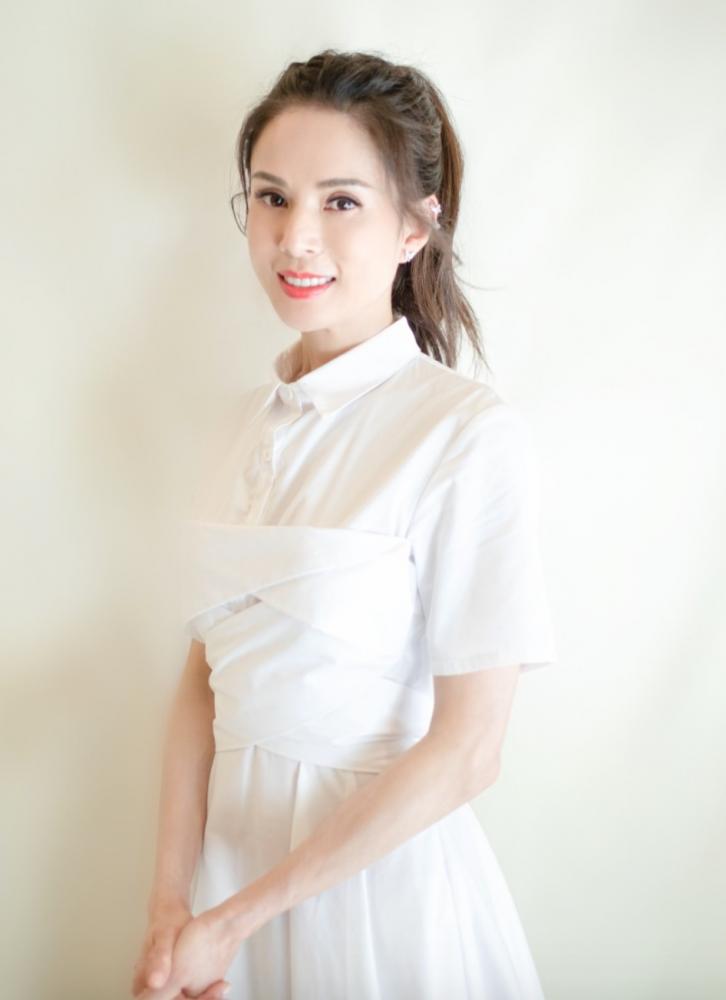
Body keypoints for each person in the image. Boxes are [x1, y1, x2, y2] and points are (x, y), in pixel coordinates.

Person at [131, 48, 558, 1000]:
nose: (296, 239)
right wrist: (169, 905)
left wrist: (241, 917)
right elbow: (203, 685)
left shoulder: (464, 433)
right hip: (222, 892)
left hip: (376, 899)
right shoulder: (236, 427)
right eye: (272, 198)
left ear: (415, 227)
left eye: (341, 202)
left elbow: (469, 751)